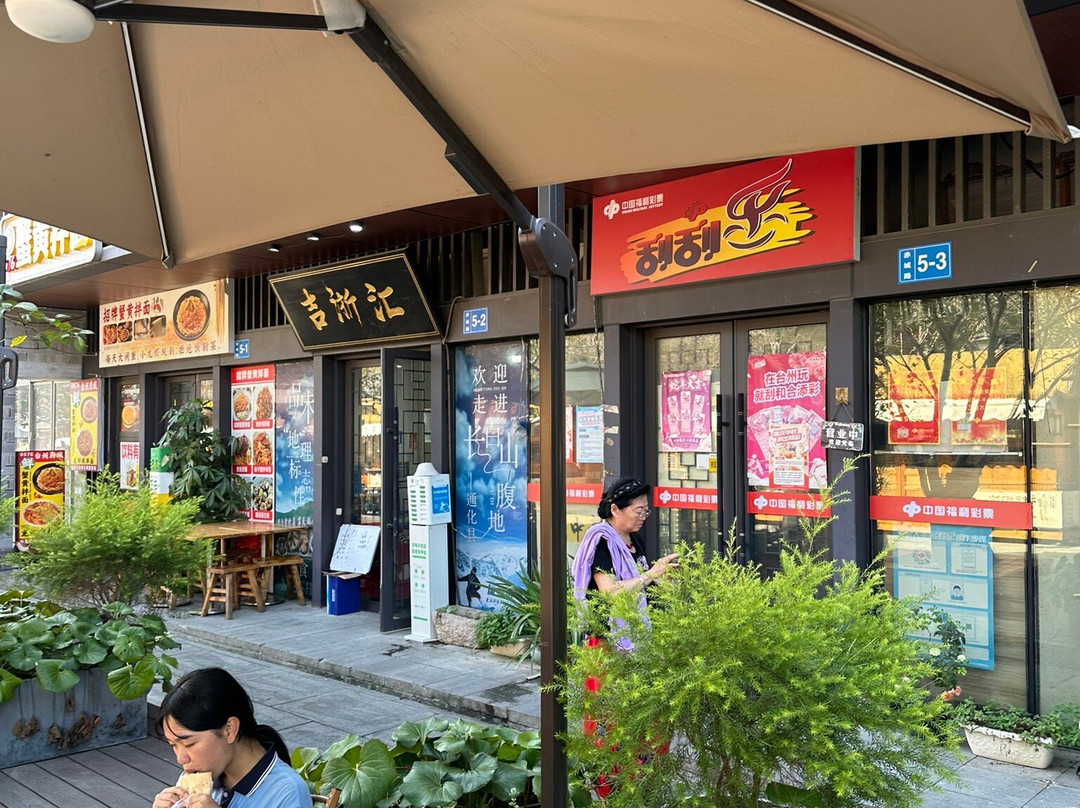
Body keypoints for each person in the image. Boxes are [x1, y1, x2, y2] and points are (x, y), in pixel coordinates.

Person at [151, 668, 312, 808]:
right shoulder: (205, 775)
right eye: (173, 745)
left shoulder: (287, 793)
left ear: (229, 729)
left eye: (189, 743)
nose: (181, 758)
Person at [571, 476, 679, 601]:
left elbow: (641, 585)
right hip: (614, 614)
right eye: (638, 512)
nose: (643, 517)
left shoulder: (635, 538)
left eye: (646, 511)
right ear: (615, 510)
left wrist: (662, 580)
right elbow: (610, 593)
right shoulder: (602, 542)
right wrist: (650, 574)